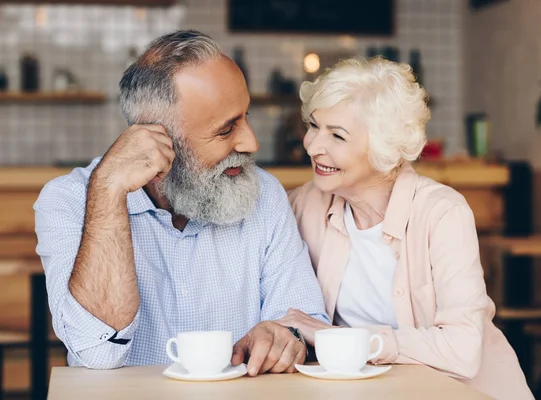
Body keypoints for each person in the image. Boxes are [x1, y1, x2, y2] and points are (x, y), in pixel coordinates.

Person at [33, 30, 328, 374]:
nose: (250, 142)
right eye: (226, 129)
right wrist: (109, 192)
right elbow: (97, 354)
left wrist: (284, 337)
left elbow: (304, 322)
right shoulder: (69, 201)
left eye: (246, 117)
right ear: (158, 140)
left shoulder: (264, 193)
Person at [279, 57, 533, 399]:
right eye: (313, 126)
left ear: (383, 147)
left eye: (337, 135)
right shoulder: (302, 205)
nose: (312, 146)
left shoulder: (442, 213)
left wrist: (340, 340)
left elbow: (462, 349)